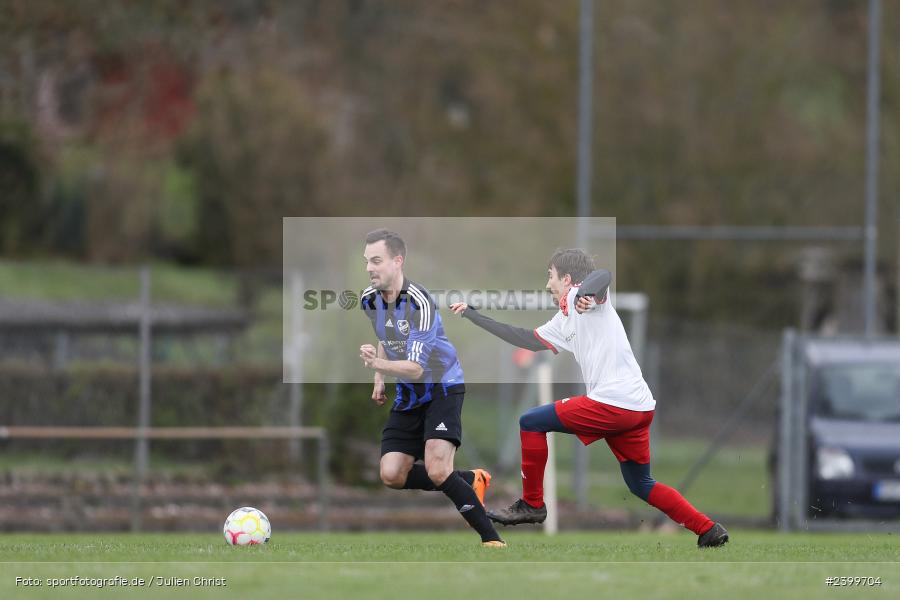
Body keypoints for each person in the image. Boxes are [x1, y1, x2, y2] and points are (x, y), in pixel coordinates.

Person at [449, 248, 729, 548]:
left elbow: (603, 276)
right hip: (638, 407)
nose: (548, 285)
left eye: (551, 277)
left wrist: (588, 294)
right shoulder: (562, 319)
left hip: (615, 402)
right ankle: (708, 529)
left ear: (567, 279)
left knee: (530, 422)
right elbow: (524, 339)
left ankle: (532, 504)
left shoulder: (585, 298)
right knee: (640, 484)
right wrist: (474, 316)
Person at [359, 229, 506, 548]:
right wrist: (379, 379)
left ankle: (491, 539)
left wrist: (376, 366)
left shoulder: (420, 303)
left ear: (398, 261)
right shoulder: (369, 300)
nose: (370, 267)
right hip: (409, 396)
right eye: (367, 261)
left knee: (439, 469)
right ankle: (469, 480)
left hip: (442, 388)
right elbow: (387, 338)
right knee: (391, 474)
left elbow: (415, 368)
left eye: (377, 260)